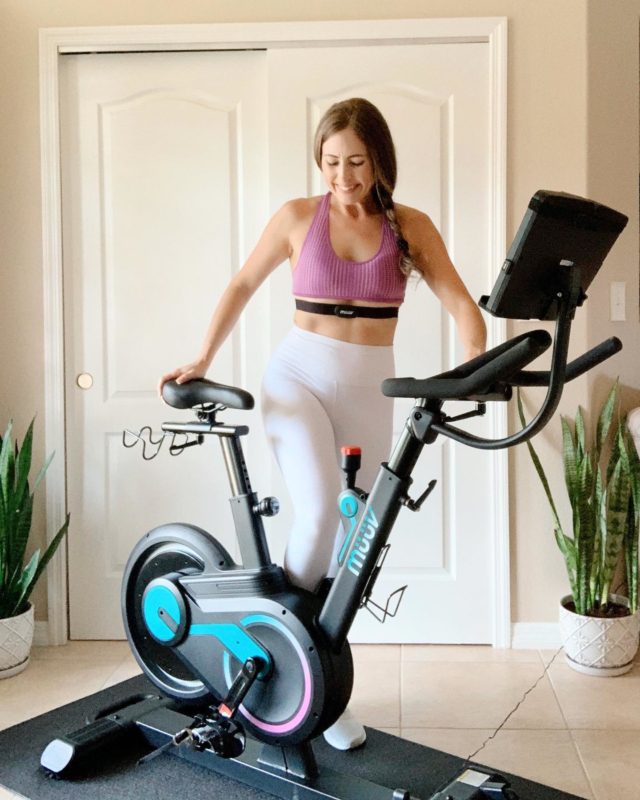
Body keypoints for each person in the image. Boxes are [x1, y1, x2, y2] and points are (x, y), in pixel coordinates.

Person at [159, 97, 487, 750]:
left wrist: (475, 364)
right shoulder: (297, 217)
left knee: (353, 540)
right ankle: (282, 655)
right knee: (316, 515)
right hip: (297, 378)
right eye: (331, 162)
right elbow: (241, 286)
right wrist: (201, 355)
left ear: (380, 161)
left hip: (371, 385)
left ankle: (316, 689)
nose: (343, 176)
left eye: (357, 162)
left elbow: (459, 300)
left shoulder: (410, 226)